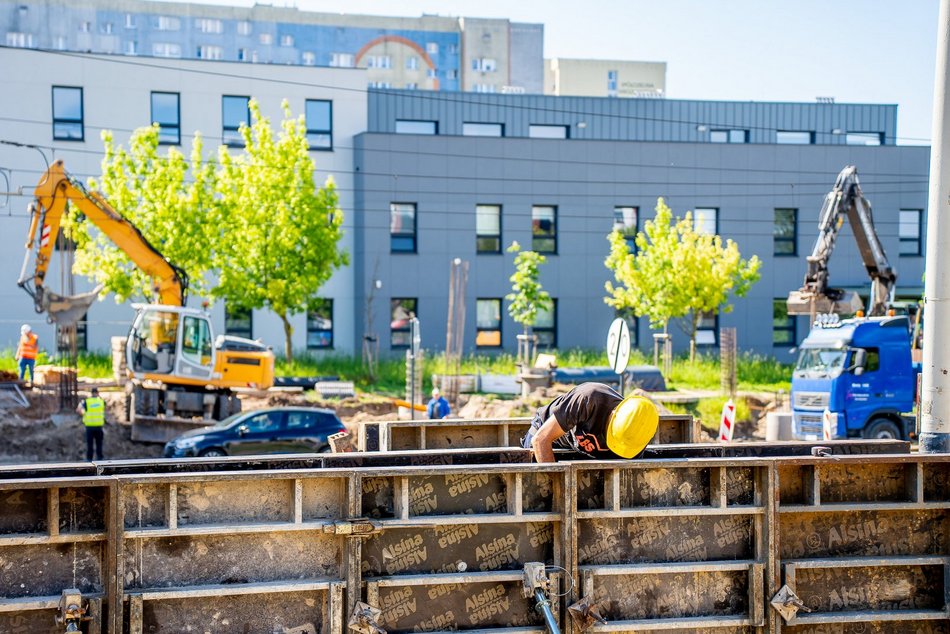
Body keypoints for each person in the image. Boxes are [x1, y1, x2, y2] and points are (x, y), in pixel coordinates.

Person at [522, 382, 659, 463]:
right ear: (613, 414)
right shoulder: (588, 399)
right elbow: (540, 440)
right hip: (549, 440)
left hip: (584, 450)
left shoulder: (637, 433)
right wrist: (556, 488)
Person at [77, 387, 105, 461]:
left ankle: (89, 459)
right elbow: (104, 407)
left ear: (91, 393)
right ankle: (100, 458)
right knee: (99, 443)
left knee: (90, 444)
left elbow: (79, 410)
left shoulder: (87, 402)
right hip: (99, 426)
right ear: (97, 393)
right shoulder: (101, 401)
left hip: (89, 427)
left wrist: (83, 414)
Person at [14, 324, 38, 388]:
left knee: (31, 370)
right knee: (21, 370)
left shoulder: (34, 337)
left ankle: (31, 383)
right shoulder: (23, 337)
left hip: (31, 358)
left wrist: (28, 342)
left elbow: (35, 347)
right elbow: (20, 346)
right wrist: (17, 355)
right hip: (23, 357)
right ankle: (20, 383)